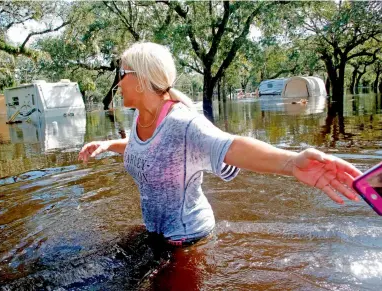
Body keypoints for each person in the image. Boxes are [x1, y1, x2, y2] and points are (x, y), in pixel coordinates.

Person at [78, 42, 362, 247]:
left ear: (140, 79)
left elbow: (232, 145)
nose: (117, 84)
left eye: (121, 74)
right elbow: (147, 150)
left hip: (186, 237)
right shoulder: (141, 116)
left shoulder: (183, 123)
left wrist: (292, 162)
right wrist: (108, 144)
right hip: (156, 230)